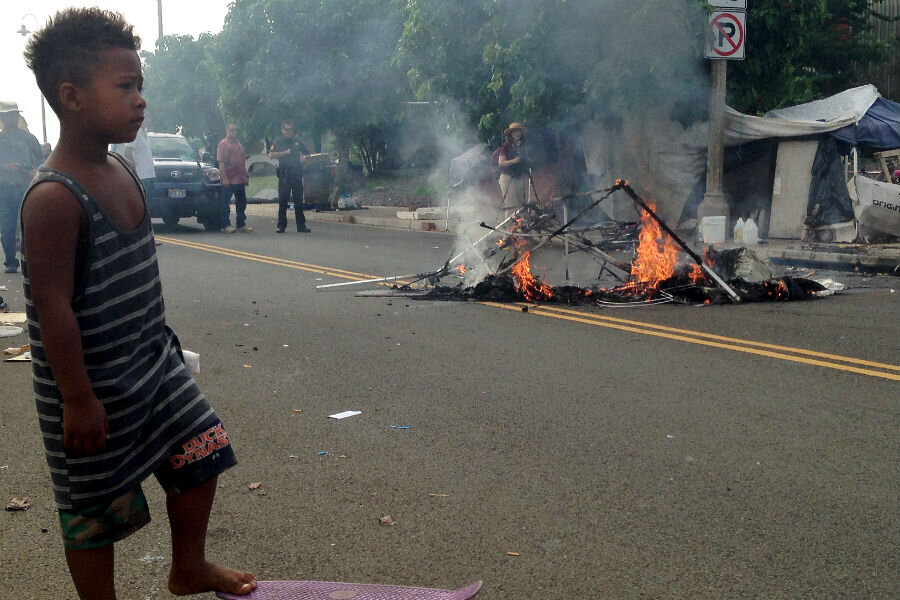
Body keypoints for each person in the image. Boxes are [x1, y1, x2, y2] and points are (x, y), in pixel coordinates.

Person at [22, 8, 256, 599]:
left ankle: (189, 567)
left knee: (204, 447)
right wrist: (77, 399)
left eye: (139, 86)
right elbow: (53, 309)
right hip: (91, 386)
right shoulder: (54, 196)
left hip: (153, 364)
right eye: (125, 87)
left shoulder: (121, 167)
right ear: (71, 97)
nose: (140, 100)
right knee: (94, 512)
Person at [0, 101, 43, 273]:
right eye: (8, 114)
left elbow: (41, 159)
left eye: (14, 114)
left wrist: (35, 171)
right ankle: (11, 262)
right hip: (4, 189)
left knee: (31, 224)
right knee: (7, 227)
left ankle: (31, 259)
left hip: (27, 186)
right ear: (3, 117)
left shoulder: (28, 138)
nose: (12, 117)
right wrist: (5, 167)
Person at [268, 119, 311, 233]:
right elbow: (271, 155)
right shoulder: (278, 142)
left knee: (298, 200)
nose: (289, 132)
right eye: (287, 130)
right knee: (283, 201)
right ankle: (281, 225)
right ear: (282, 130)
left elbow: (307, 154)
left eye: (291, 129)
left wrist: (304, 158)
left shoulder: (297, 141)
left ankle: (301, 226)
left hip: (296, 174)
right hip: (284, 175)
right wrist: (284, 153)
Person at [110, 116, 155, 210]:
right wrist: (133, 168)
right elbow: (127, 151)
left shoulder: (145, 131)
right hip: (141, 175)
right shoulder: (136, 133)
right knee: (140, 203)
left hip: (149, 174)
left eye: (149, 117)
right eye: (146, 117)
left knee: (148, 203)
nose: (149, 120)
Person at [217, 123, 252, 233]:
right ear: (227, 131)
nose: (235, 132)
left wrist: (245, 176)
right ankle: (225, 225)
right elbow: (221, 163)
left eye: (236, 130)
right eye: (232, 130)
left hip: (240, 179)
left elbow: (242, 162)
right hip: (229, 178)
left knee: (242, 202)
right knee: (225, 203)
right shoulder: (223, 144)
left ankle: (241, 224)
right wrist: (224, 178)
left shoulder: (239, 145)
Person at [497, 122, 529, 215]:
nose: (517, 133)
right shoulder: (506, 146)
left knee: (521, 205)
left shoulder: (523, 146)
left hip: (518, 177)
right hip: (507, 177)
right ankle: (509, 227)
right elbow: (501, 163)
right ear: (511, 134)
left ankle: (520, 227)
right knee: (511, 205)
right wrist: (513, 161)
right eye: (515, 131)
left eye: (519, 131)